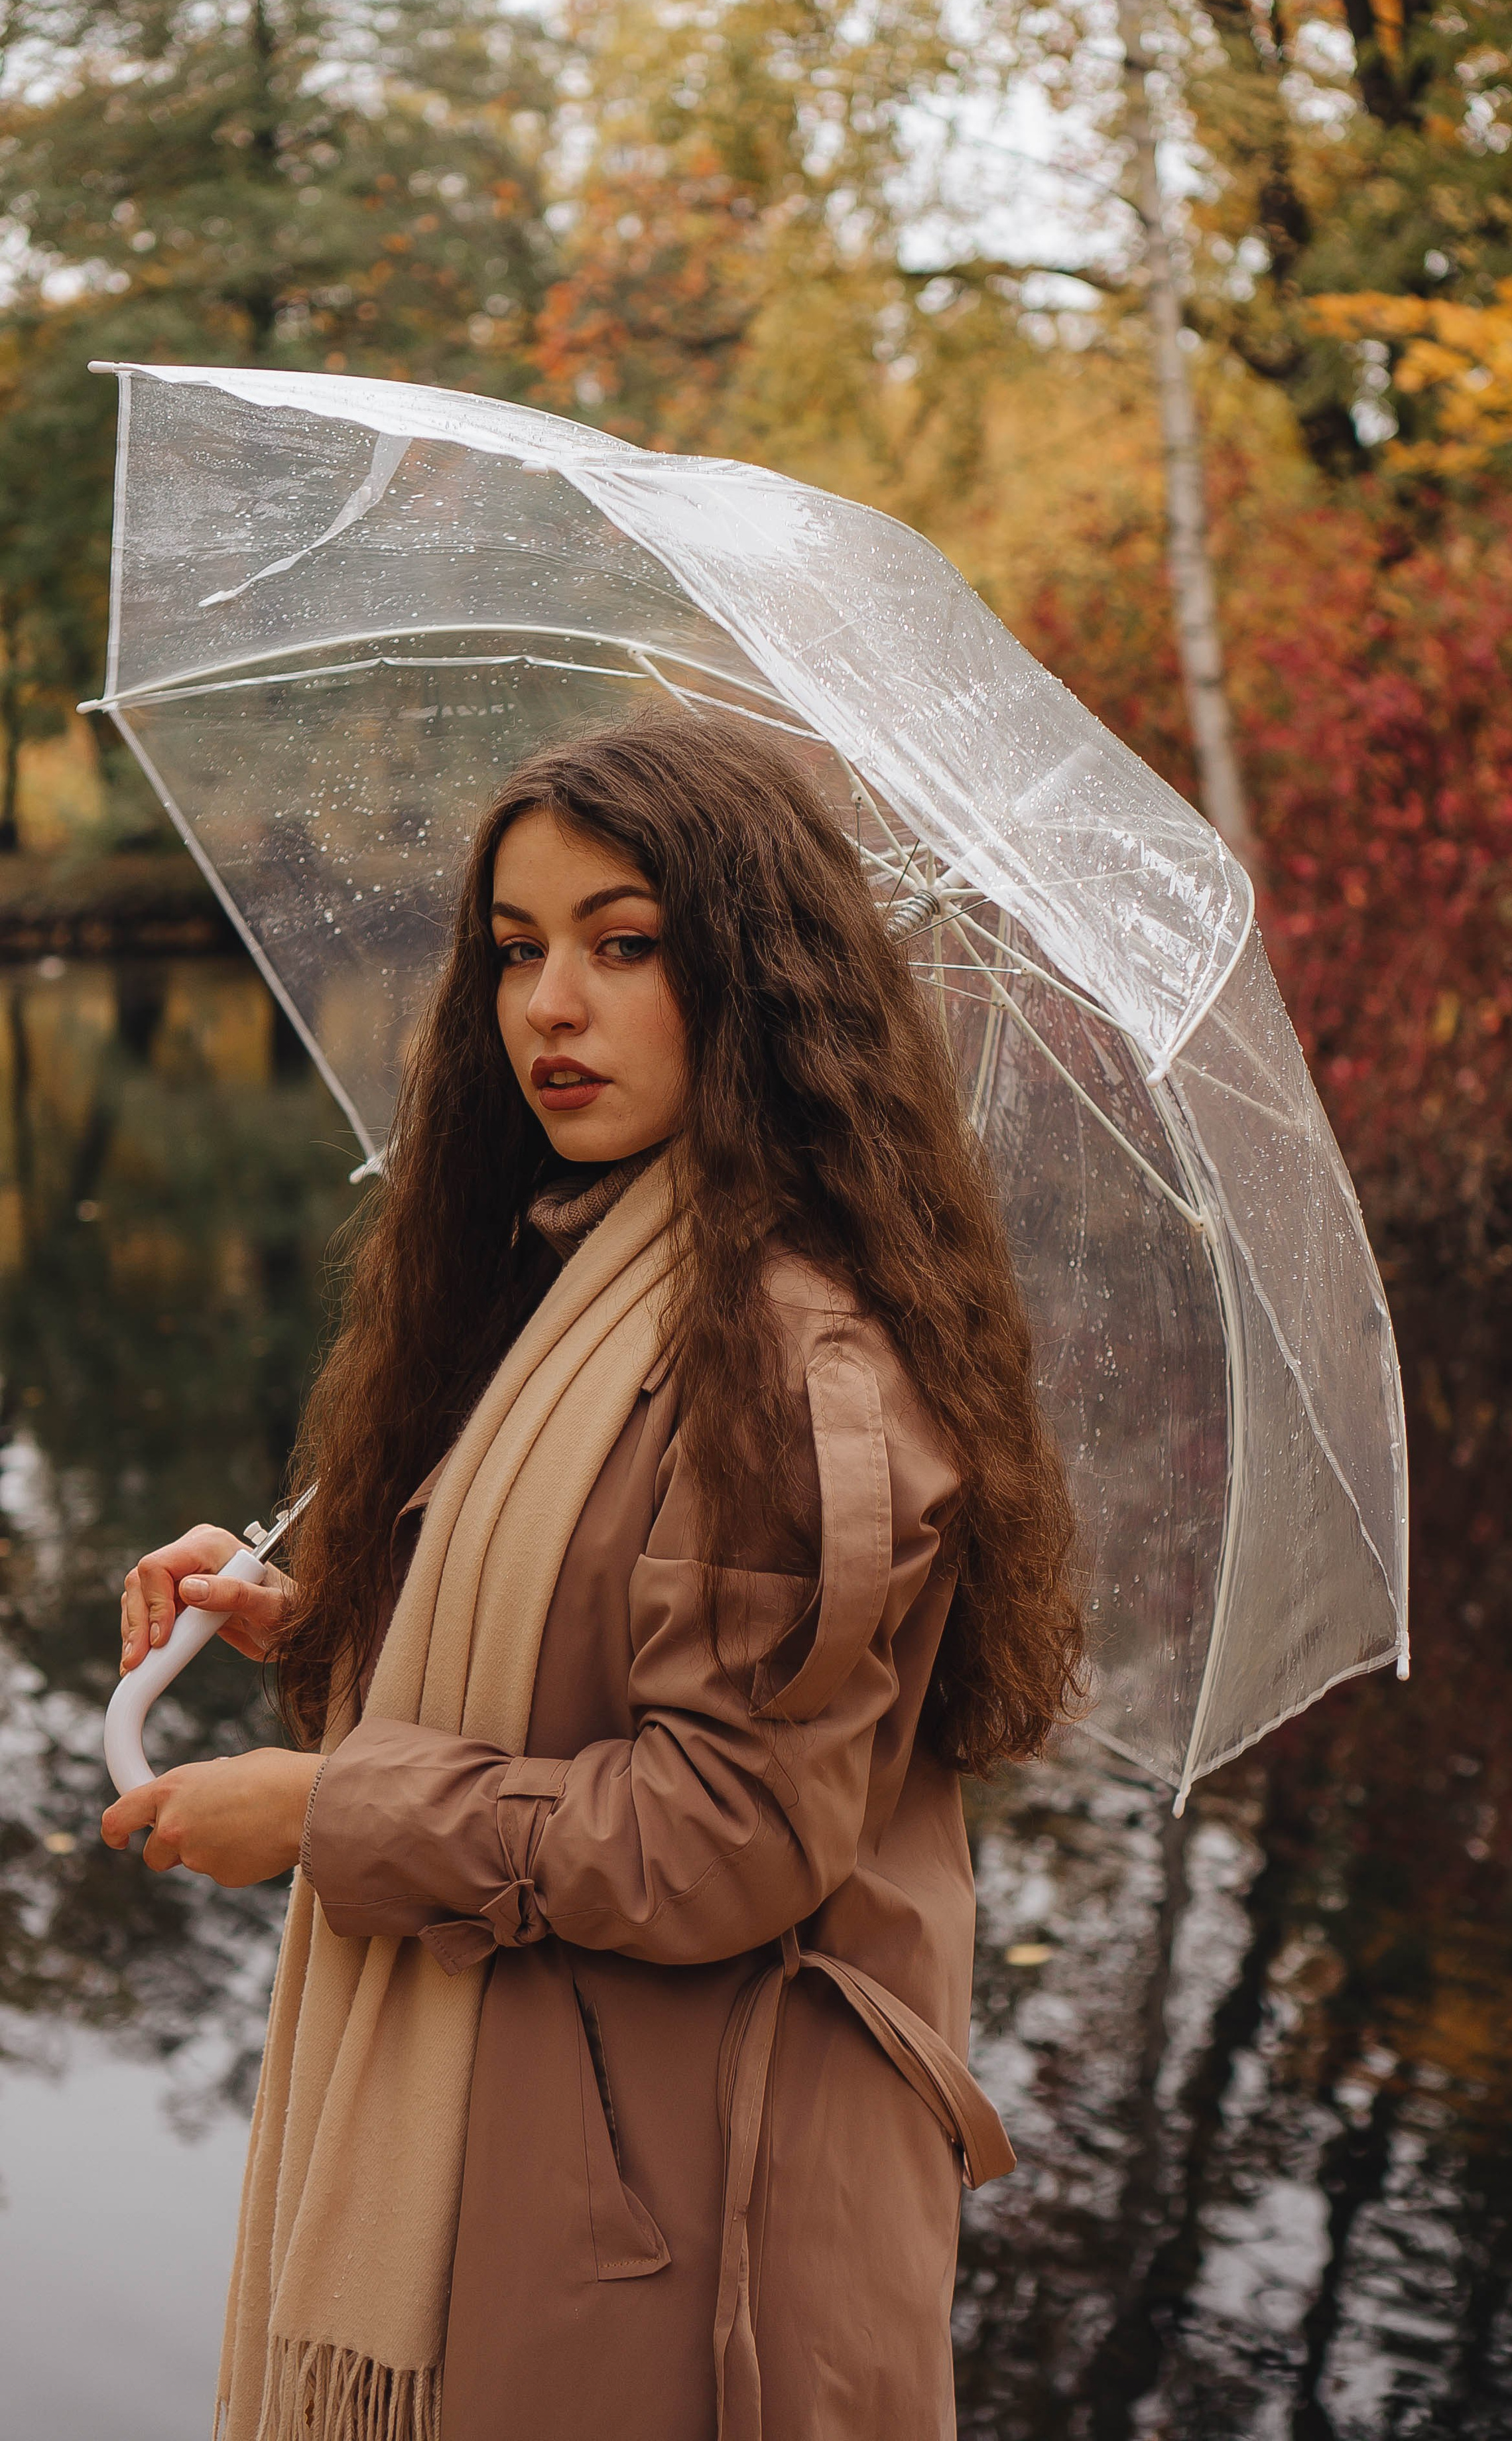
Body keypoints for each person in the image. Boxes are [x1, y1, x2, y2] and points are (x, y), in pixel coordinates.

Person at [103, 710, 1085, 2441]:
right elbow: (562, 1640)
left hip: (702, 2235)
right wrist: (318, 1608)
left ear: (754, 979)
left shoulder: (792, 1360)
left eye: (623, 946)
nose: (548, 1005)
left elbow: (727, 1837)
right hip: (581, 2148)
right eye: (517, 951)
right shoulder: (590, 1271)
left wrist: (331, 1815)